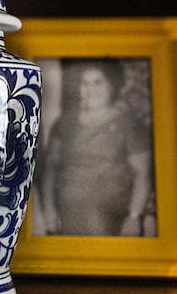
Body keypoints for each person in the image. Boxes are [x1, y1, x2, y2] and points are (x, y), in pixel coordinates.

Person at [39, 60, 153, 237]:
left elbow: (142, 174)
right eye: (85, 83)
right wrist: (48, 209)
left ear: (112, 86)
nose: (90, 89)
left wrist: (134, 217)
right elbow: (51, 167)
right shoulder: (64, 122)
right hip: (65, 214)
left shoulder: (130, 125)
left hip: (110, 217)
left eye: (98, 82)